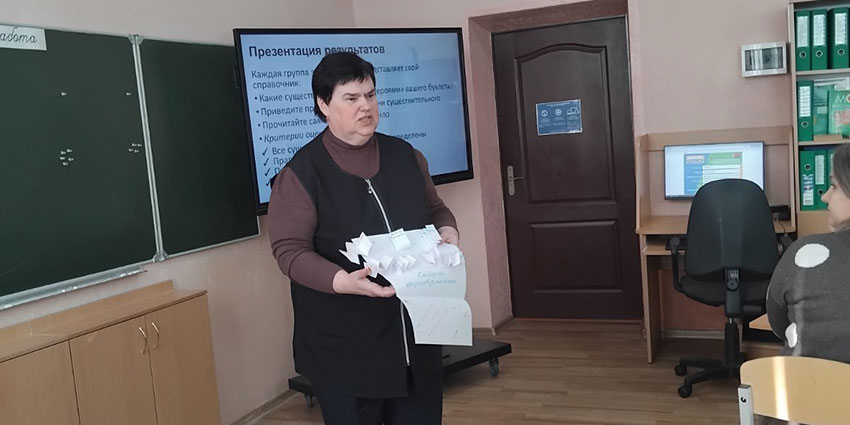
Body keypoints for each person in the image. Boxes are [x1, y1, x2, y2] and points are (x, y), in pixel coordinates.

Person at [267, 52, 459, 425]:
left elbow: (436, 211)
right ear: (324, 105)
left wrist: (448, 231)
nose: (366, 107)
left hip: (419, 336)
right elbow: (289, 251)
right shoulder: (301, 174)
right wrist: (341, 280)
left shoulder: (406, 155)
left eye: (370, 95)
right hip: (346, 351)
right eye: (351, 98)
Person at [766, 143, 850, 365]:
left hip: (805, 383)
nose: (825, 197)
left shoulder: (803, 252)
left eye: (834, 186)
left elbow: (778, 323)